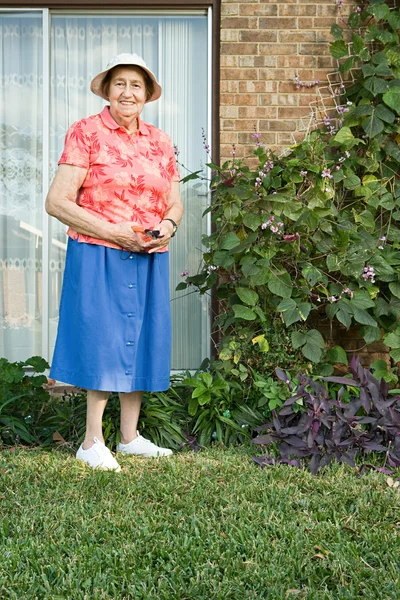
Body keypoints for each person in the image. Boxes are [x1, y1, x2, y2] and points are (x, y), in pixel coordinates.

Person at [46, 53, 183, 472]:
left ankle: (129, 437)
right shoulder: (86, 132)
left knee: (139, 338)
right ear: (107, 90)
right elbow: (56, 202)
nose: (128, 92)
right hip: (98, 251)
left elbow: (174, 200)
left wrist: (169, 225)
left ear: (147, 95)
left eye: (136, 85)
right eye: (119, 83)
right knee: (103, 338)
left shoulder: (159, 140)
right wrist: (114, 232)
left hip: (147, 254)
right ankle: (91, 441)